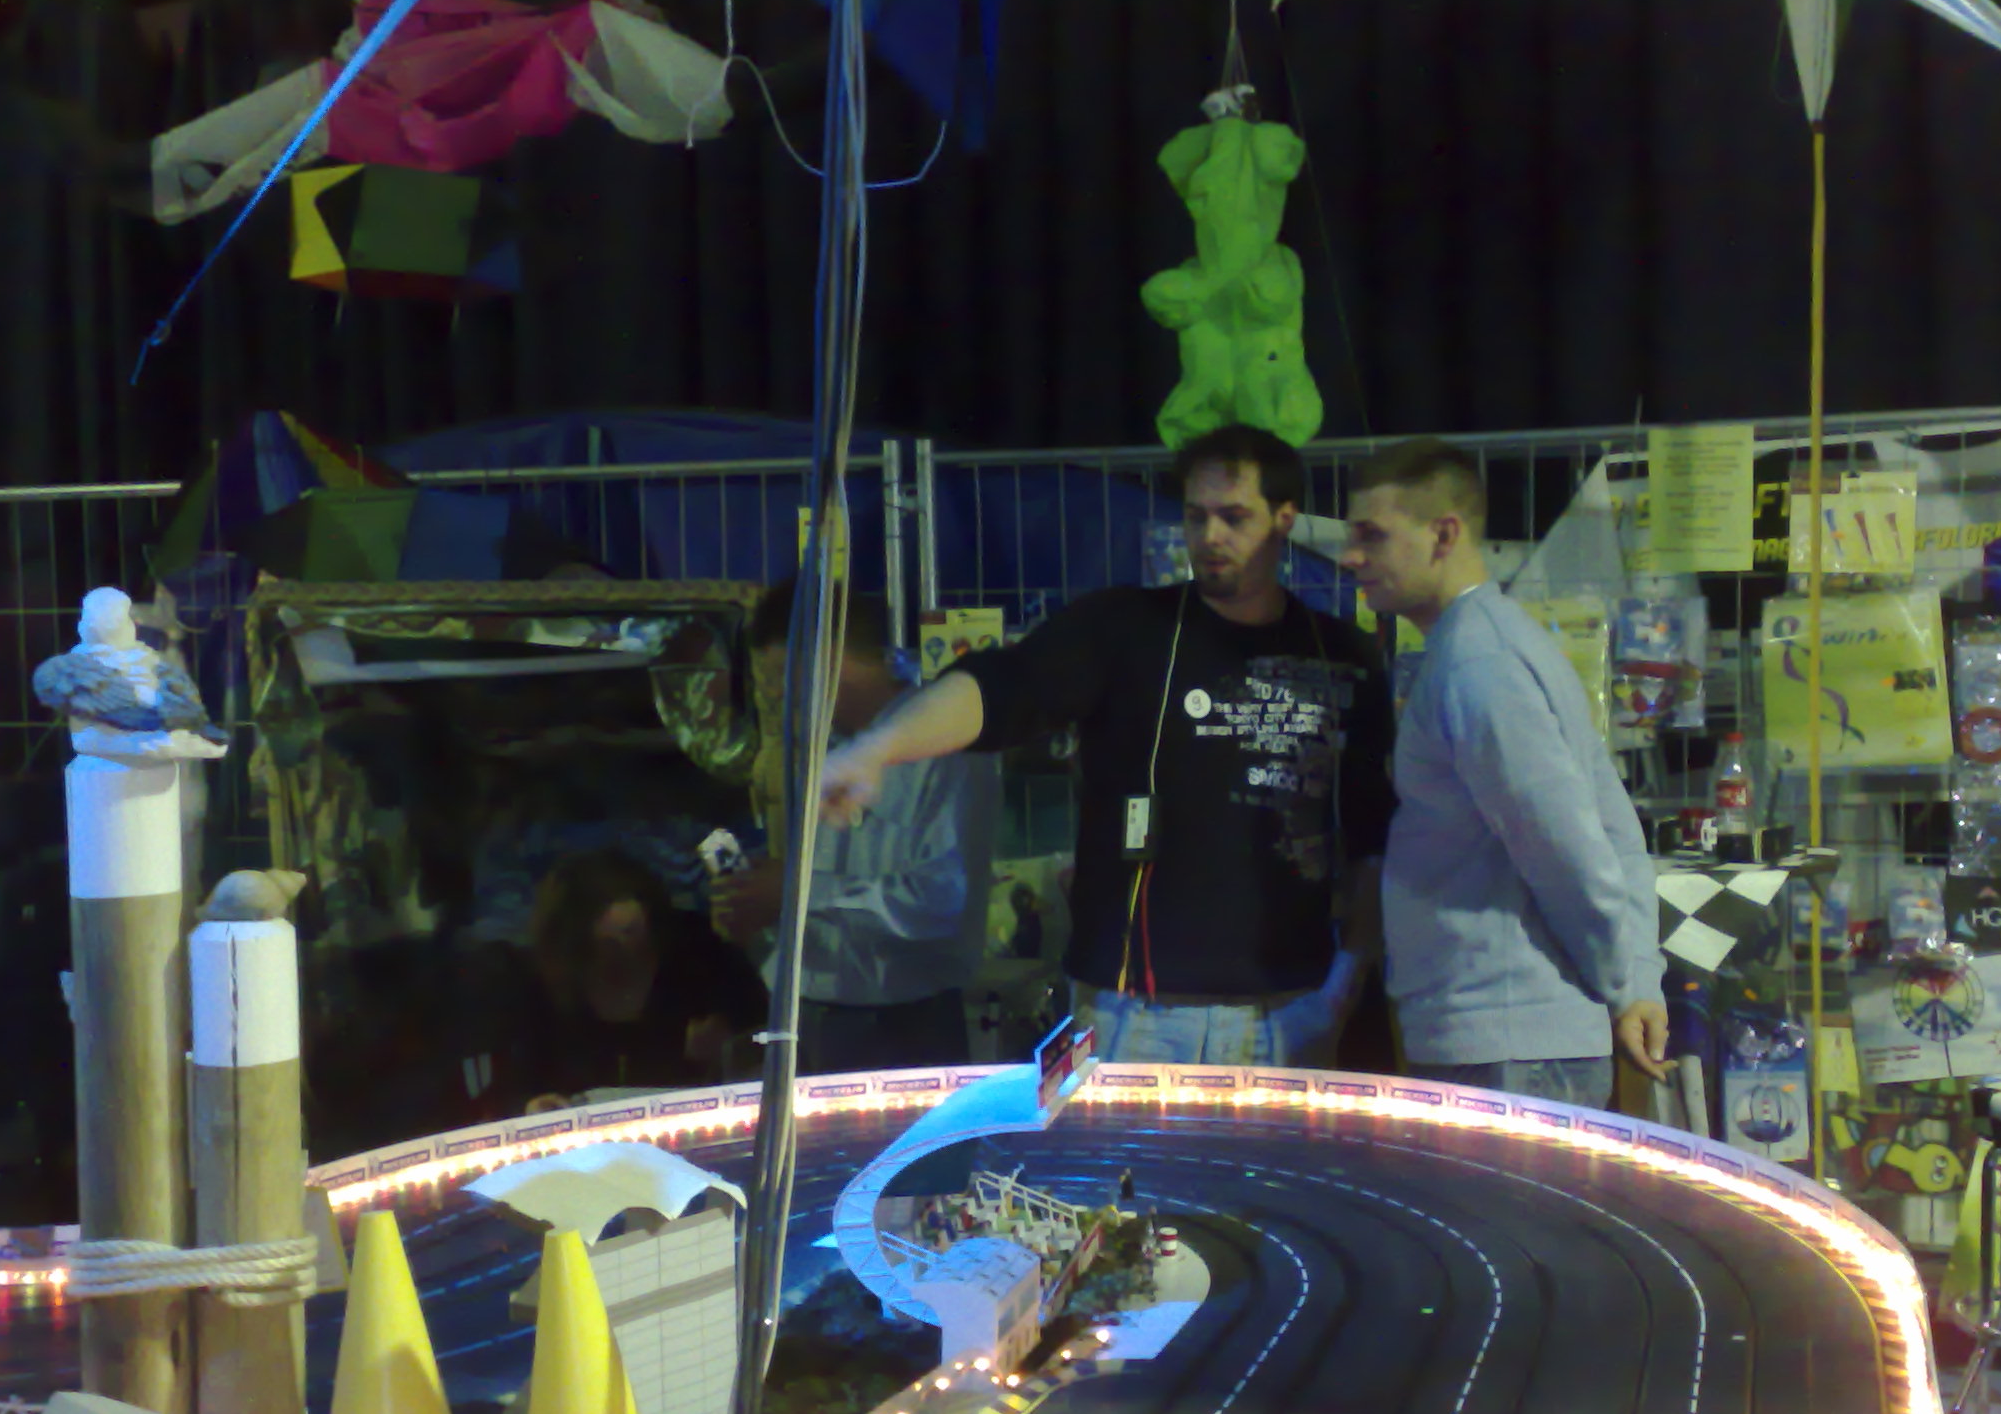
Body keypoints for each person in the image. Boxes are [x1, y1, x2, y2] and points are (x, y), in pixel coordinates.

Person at [817, 426, 1393, 1067]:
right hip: (1136, 1014)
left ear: (1284, 520)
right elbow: (1001, 687)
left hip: (1289, 1010)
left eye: (1234, 518)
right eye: (1196, 516)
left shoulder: (1341, 655)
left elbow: (1373, 836)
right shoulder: (1126, 629)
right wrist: (879, 746)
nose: (1210, 536)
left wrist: (1344, 983)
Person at [1339, 438, 1666, 1108]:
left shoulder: (1478, 664)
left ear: (1444, 534)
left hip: (1506, 1045)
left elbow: (1568, 850)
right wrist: (1632, 979)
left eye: (1372, 535)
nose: (1350, 556)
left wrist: (1625, 982)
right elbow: (1612, 828)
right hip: (1509, 1038)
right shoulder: (1493, 643)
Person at [709, 582, 998, 1075]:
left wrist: (796, 892)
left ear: (827, 663)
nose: (775, 697)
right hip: (810, 1014)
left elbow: (938, 902)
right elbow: (822, 896)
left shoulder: (945, 749)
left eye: (779, 677)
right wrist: (760, 902)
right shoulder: (822, 751)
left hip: (902, 1029)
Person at [518, 848, 768, 1108]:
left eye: (634, 936)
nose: (624, 959)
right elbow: (523, 1088)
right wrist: (538, 1105)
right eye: (608, 946)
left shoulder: (704, 957)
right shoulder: (543, 992)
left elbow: (765, 1046)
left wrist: (728, 1051)